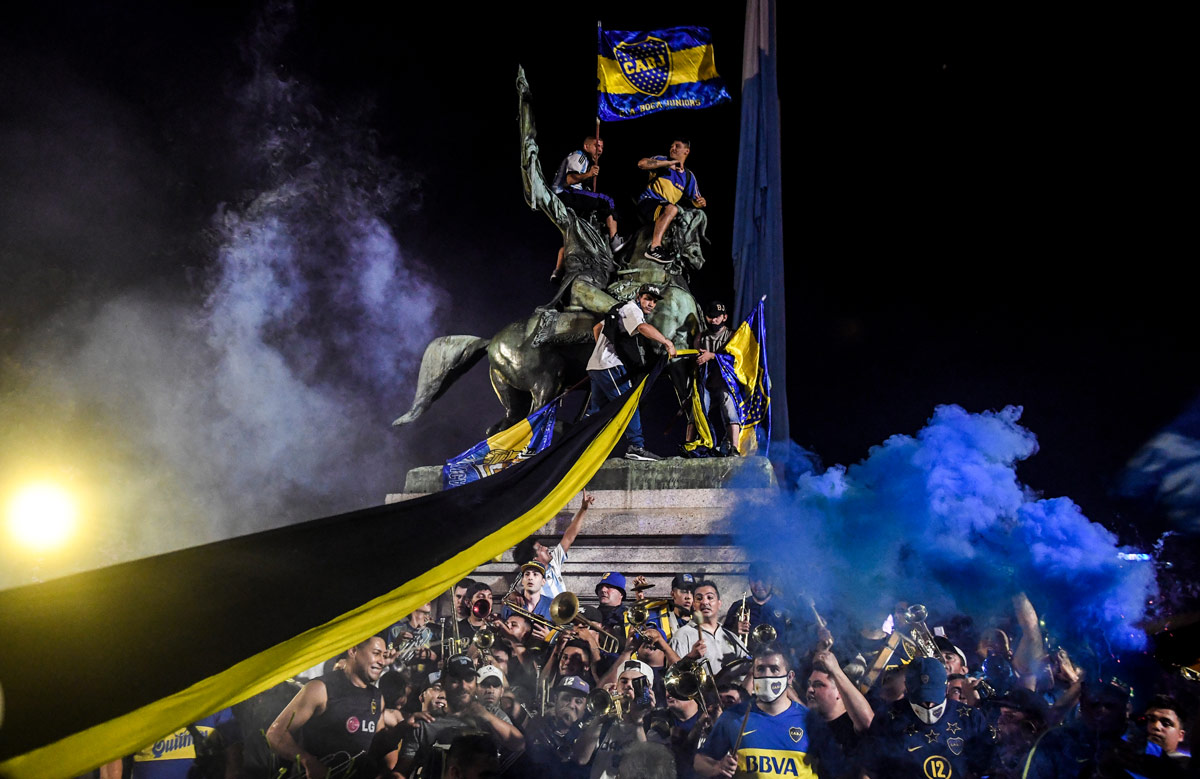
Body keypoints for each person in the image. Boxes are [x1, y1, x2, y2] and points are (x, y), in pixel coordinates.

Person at [265, 636, 388, 779]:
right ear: (353, 651)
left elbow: (379, 746)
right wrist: (308, 761)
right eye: (376, 653)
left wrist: (390, 769)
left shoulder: (377, 697)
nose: (382, 661)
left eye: (384, 656)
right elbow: (275, 734)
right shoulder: (320, 688)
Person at [586, 283, 678, 461]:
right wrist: (667, 342)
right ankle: (636, 446)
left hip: (596, 366)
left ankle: (581, 443)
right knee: (629, 402)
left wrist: (600, 351)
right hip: (609, 366)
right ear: (639, 297)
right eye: (647, 299)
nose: (651, 304)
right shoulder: (632, 309)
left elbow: (597, 328)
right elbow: (643, 328)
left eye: (654, 301)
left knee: (595, 411)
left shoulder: (620, 308)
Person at [695, 644, 816, 778]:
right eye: (760, 669)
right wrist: (716, 767)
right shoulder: (733, 717)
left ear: (790, 677)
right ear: (753, 674)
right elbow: (699, 761)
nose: (766, 676)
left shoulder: (810, 721)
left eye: (774, 669)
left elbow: (834, 767)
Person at [861, 656, 991, 779]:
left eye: (933, 697)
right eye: (921, 698)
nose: (928, 705)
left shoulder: (970, 717)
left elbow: (984, 767)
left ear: (946, 688)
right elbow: (872, 769)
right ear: (907, 688)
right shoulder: (888, 717)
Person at [396, 655, 524, 777]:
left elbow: (518, 744)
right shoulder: (425, 722)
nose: (463, 686)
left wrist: (485, 715)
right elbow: (403, 770)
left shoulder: (493, 714)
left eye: (469, 679)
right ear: (443, 682)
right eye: (456, 680)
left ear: (475, 682)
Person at [574, 660, 658, 778]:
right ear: (616, 686)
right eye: (623, 681)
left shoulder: (655, 722)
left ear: (648, 690)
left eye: (636, 682)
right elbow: (580, 759)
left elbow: (645, 770)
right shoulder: (603, 719)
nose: (628, 685)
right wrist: (599, 718)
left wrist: (638, 721)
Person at [552, 137, 625, 270]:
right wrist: (588, 174)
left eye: (602, 147)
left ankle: (559, 268)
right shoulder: (579, 156)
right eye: (597, 146)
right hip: (566, 193)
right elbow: (569, 180)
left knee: (582, 230)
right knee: (607, 200)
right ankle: (615, 240)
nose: (600, 150)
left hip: (569, 194)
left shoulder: (585, 160)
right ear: (586, 146)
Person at [514, 490, 596, 599]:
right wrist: (513, 595)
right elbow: (513, 595)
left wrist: (583, 509)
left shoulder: (553, 563)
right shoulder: (527, 580)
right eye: (540, 548)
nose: (546, 548)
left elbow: (569, 537)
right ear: (535, 559)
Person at [637, 139, 706, 264]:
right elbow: (641, 164)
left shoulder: (689, 177)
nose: (672, 148)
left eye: (677, 146)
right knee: (672, 209)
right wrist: (667, 164)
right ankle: (654, 248)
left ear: (686, 151)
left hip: (665, 208)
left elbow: (696, 199)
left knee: (685, 217)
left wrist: (701, 202)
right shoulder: (662, 160)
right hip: (648, 202)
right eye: (671, 146)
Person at [686, 301, 742, 455]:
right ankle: (689, 446)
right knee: (696, 412)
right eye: (710, 317)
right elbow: (693, 358)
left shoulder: (733, 335)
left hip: (725, 383)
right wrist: (697, 356)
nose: (714, 320)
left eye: (717, 317)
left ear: (724, 317)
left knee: (730, 411)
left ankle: (734, 448)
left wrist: (712, 356)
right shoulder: (701, 336)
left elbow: (738, 359)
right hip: (706, 382)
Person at [804, 648, 873, 755]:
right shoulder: (807, 723)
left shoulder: (851, 724)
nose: (810, 689)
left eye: (818, 685)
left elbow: (867, 723)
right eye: (809, 684)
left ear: (840, 692)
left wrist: (835, 670)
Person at [670, 581, 749, 673]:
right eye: (699, 598)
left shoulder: (731, 637)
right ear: (694, 605)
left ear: (719, 604)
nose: (704, 602)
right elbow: (673, 675)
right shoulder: (683, 635)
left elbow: (747, 671)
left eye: (710, 597)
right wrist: (690, 658)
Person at [526, 675, 592, 773]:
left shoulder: (586, 734)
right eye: (566, 698)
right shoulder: (538, 724)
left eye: (578, 701)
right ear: (556, 700)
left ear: (584, 709)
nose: (571, 705)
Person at [721, 564, 791, 644]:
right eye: (755, 580)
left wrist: (785, 655)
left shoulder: (786, 608)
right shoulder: (737, 606)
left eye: (764, 579)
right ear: (749, 581)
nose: (759, 584)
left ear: (772, 580)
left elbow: (797, 643)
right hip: (747, 656)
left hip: (779, 656)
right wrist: (734, 631)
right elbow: (724, 642)